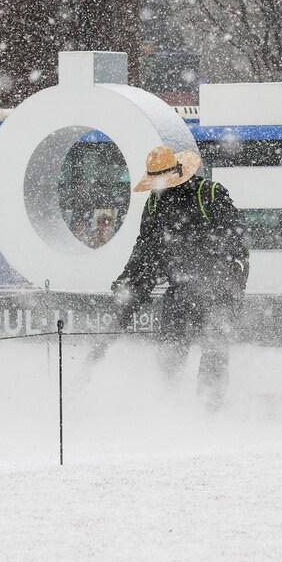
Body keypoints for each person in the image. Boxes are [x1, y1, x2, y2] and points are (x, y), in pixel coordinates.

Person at [113, 145, 249, 408]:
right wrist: (129, 281)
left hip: (218, 290)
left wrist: (230, 286)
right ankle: (169, 407)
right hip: (179, 289)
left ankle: (209, 409)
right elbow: (145, 250)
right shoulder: (154, 203)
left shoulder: (208, 194)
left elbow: (237, 243)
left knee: (214, 351)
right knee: (170, 350)